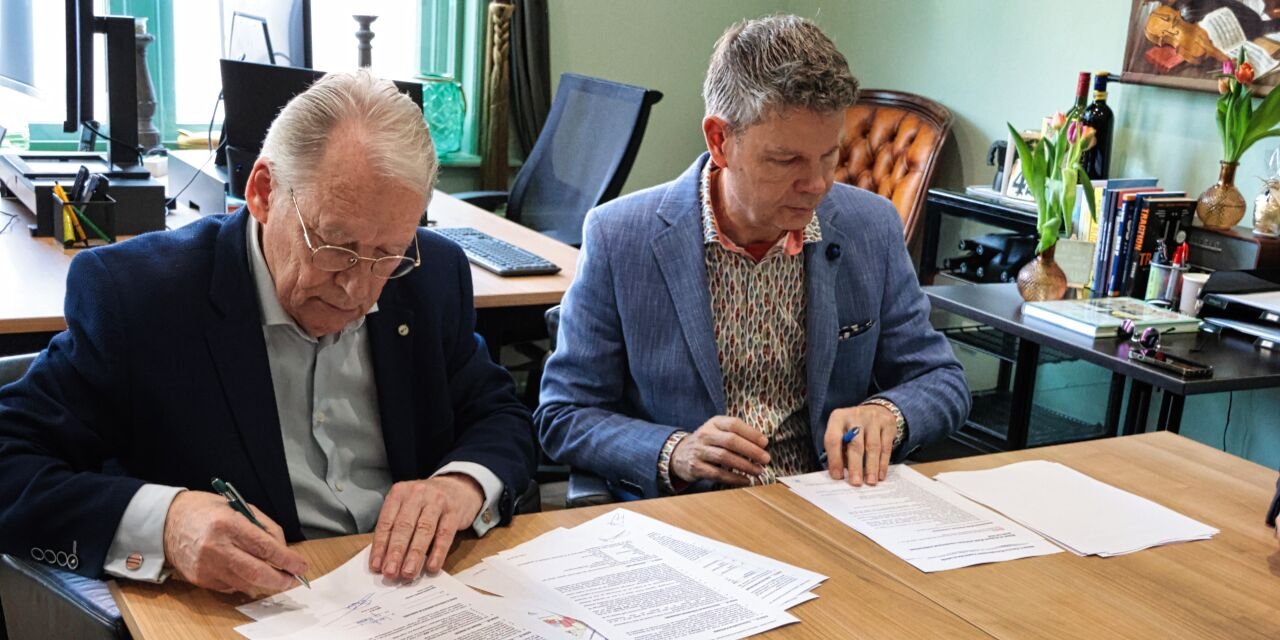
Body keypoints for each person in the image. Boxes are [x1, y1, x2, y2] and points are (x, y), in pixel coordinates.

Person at [0, 70, 535, 596]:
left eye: (386, 254)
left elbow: (497, 414)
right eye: (334, 244)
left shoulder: (430, 275)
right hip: (242, 609)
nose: (358, 289)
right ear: (262, 192)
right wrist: (165, 524)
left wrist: (462, 483)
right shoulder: (140, 298)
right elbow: (10, 460)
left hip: (416, 595)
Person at [536, 15, 970, 501]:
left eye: (829, 155)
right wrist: (674, 451)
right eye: (786, 161)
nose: (818, 184)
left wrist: (889, 413)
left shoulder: (871, 226)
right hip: (693, 515)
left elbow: (942, 380)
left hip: (835, 505)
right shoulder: (620, 236)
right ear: (720, 140)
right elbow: (564, 415)